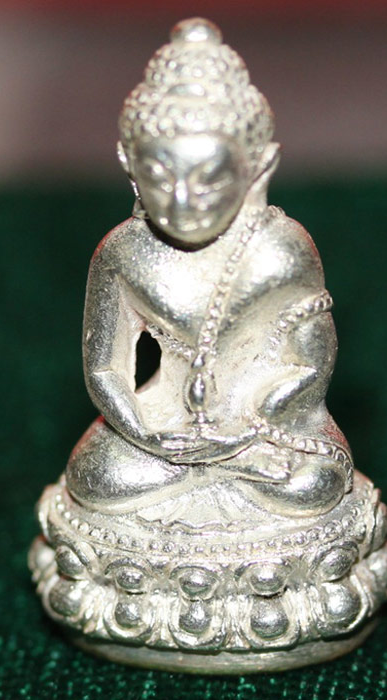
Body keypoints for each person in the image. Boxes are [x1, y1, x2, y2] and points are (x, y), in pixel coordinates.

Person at [66, 18, 352, 525]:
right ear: (128, 164)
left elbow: (310, 365)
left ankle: (213, 475)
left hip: (262, 427)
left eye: (209, 180)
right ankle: (202, 475)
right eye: (160, 177)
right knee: (94, 476)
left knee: (314, 483)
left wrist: (243, 432)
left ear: (258, 167)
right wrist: (148, 435)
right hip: (164, 425)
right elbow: (104, 370)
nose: (182, 201)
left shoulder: (282, 252)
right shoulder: (123, 253)